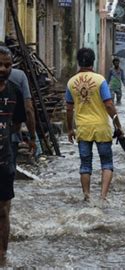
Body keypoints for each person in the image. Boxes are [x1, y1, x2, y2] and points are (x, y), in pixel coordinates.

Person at [65, 48, 124, 202]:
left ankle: (87, 196)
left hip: (83, 128)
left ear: (78, 62)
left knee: (85, 165)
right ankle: (102, 197)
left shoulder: (71, 82)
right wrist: (118, 124)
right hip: (102, 128)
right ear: (93, 61)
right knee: (106, 163)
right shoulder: (100, 80)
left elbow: (69, 108)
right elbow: (109, 105)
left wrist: (70, 129)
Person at [0, 45, 27, 258]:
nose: (2, 69)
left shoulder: (15, 92)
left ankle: (2, 255)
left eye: (7, 65)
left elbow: (17, 125)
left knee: (3, 210)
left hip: (5, 161)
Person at [8, 68, 36, 167]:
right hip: (11, 135)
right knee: (8, 173)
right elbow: (28, 109)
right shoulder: (18, 76)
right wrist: (32, 137)